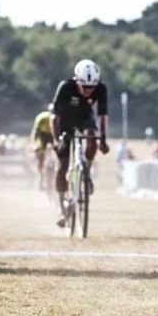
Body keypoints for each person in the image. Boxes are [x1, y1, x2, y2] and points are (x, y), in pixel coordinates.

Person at [49, 58, 110, 226]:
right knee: (62, 164)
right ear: (77, 81)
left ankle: (86, 171)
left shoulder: (101, 88)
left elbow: (102, 116)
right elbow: (54, 117)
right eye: (85, 87)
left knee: (92, 139)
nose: (89, 91)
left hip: (85, 118)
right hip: (65, 121)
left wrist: (103, 139)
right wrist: (56, 140)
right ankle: (62, 208)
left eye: (92, 87)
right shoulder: (65, 87)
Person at [31, 106, 54, 178]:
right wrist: (34, 145)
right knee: (40, 152)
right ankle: (40, 173)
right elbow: (35, 133)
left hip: (53, 134)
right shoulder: (42, 118)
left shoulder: (60, 118)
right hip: (43, 134)